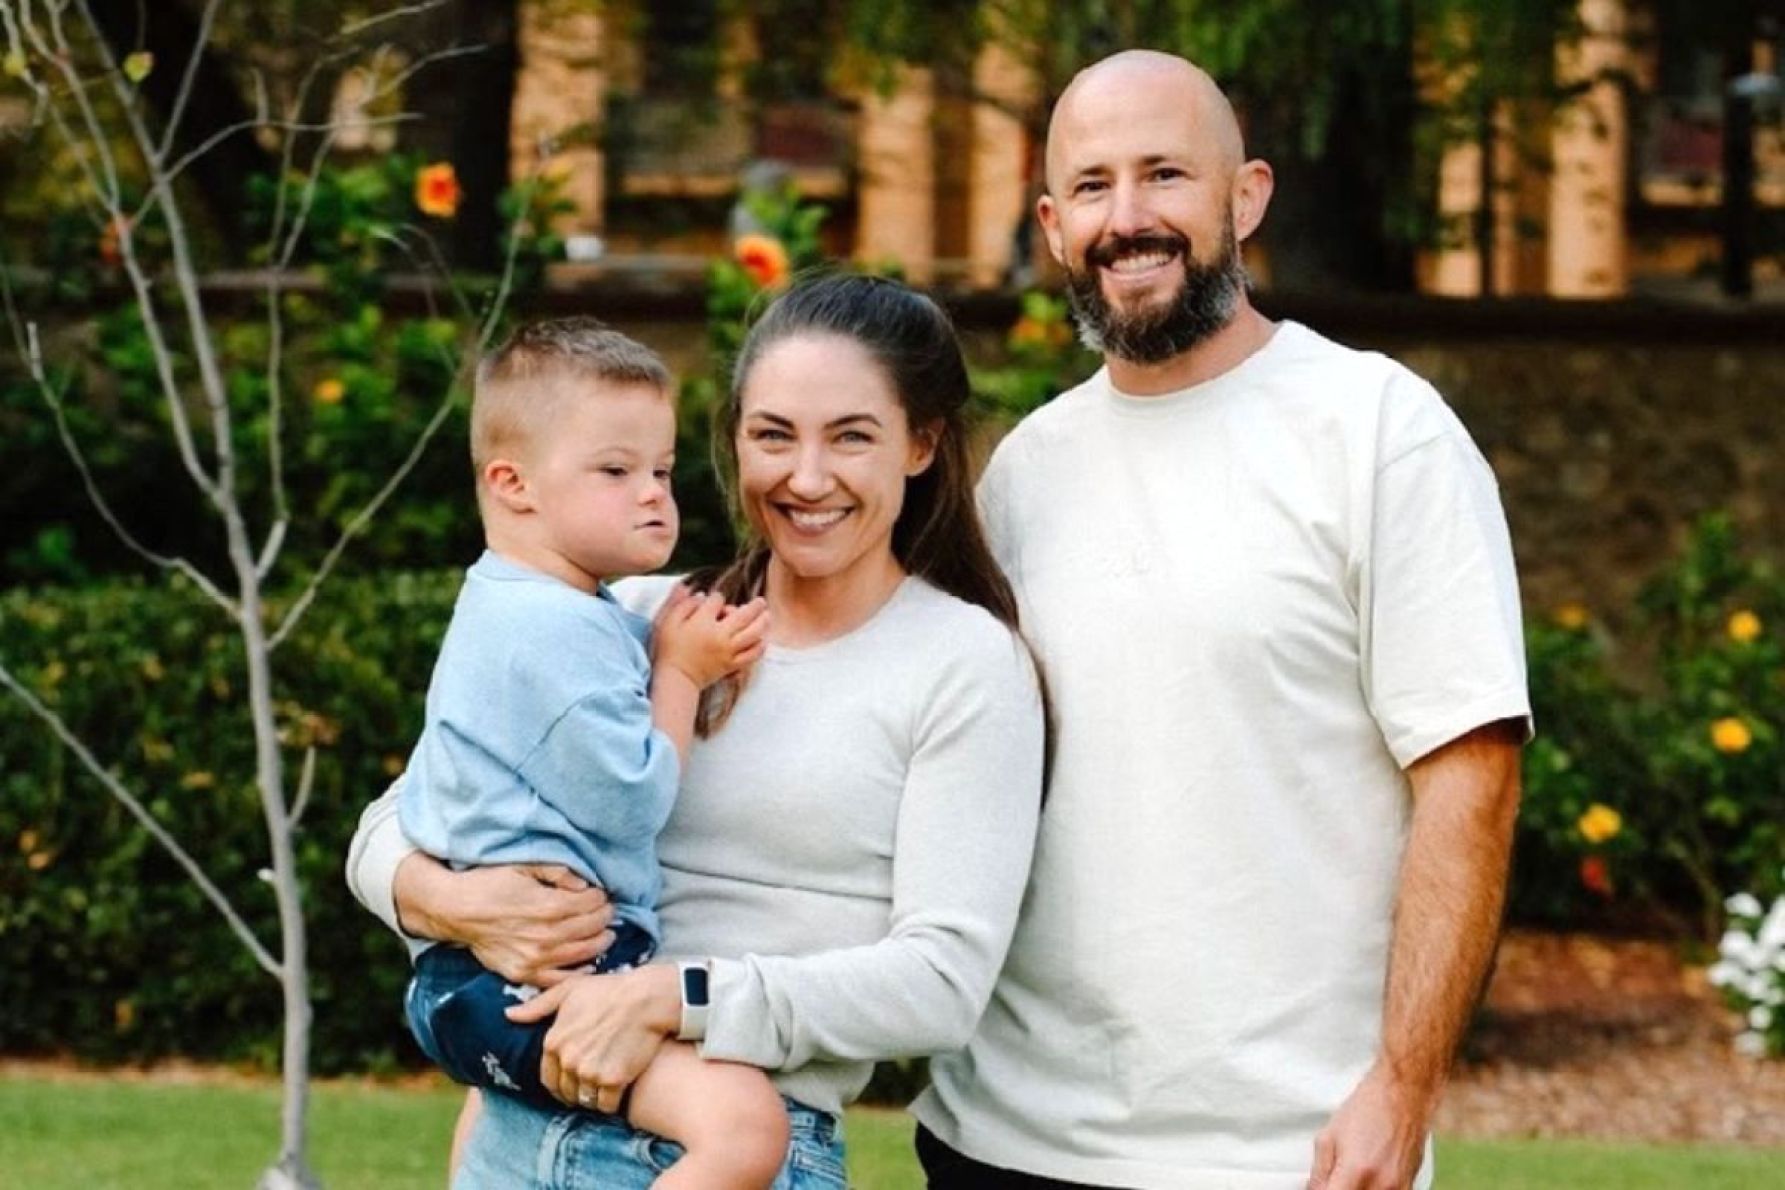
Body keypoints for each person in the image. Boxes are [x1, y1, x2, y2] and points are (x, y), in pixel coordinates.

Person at [910, 50, 1530, 1190]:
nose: (1126, 219)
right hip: (1002, 1135)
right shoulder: (1026, 471)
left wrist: (1403, 1085)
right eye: (1091, 186)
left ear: (1245, 197)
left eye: (1164, 175)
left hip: (1285, 1151)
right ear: (1052, 226)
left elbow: (1471, 776)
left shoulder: (1380, 431)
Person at [346, 274, 1046, 1188]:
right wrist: (449, 900)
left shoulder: (962, 663)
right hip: (519, 1123)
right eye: (772, 436)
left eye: (850, 437)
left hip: (731, 1145)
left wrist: (673, 999)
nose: (805, 477)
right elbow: (396, 819)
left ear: (920, 444)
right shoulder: (638, 617)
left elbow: (940, 985)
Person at [397, 318, 789, 1188]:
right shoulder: (552, 631)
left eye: (661, 470)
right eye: (615, 471)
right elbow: (633, 799)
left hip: (476, 978)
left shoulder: (520, 605)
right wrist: (679, 672)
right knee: (743, 1129)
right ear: (512, 484)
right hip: (509, 983)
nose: (652, 495)